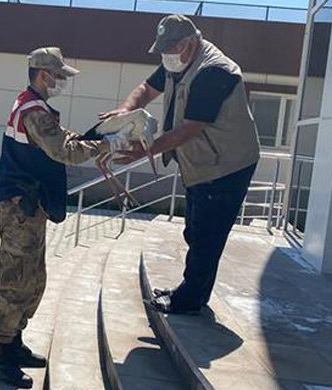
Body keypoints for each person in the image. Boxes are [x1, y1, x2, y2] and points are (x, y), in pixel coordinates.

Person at [103, 14, 260, 315]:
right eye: (163, 50)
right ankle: (192, 290)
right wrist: (124, 113)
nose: (166, 57)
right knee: (195, 228)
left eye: (171, 49)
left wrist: (144, 150)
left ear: (191, 43)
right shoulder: (178, 59)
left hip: (227, 164)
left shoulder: (213, 71)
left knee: (207, 233)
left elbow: (190, 128)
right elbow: (146, 90)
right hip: (200, 160)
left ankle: (189, 300)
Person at [0, 47, 108, 388]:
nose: (62, 82)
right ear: (43, 74)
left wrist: (94, 137)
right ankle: (0, 357)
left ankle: (14, 343)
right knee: (14, 280)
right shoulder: (33, 110)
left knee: (32, 278)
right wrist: (105, 145)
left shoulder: (35, 106)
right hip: (21, 209)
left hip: (30, 207)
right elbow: (63, 150)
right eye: (59, 76)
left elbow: (64, 138)